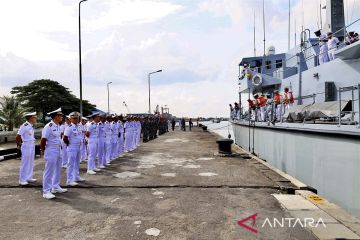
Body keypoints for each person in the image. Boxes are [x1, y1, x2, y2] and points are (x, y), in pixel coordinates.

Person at [40, 108, 67, 200]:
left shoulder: (58, 125)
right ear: (56, 116)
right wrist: (43, 151)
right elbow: (43, 140)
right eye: (60, 116)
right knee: (49, 171)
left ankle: (55, 186)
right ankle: (46, 191)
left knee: (57, 169)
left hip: (58, 149)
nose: (62, 117)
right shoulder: (49, 126)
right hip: (50, 150)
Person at [63, 112, 85, 186]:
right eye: (74, 118)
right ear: (70, 119)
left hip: (78, 146)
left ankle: (76, 176)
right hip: (72, 147)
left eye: (77, 118)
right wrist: (69, 144)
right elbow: (65, 138)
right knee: (70, 164)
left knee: (77, 163)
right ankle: (69, 180)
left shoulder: (79, 126)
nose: (76, 119)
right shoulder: (69, 127)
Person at [16, 112, 37, 186]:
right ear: (30, 118)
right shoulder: (24, 125)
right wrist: (19, 145)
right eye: (34, 117)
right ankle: (22, 180)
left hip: (31, 145)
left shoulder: (30, 125)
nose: (35, 118)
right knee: (25, 163)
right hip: (26, 145)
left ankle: (29, 177)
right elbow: (18, 136)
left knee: (31, 162)